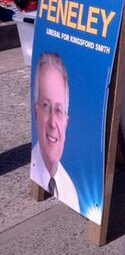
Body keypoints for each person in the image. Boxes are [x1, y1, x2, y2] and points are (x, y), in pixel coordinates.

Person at [30, 52, 80, 213]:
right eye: (45, 106)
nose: (52, 123)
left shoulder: (70, 190)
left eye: (59, 110)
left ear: (66, 120)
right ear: (36, 111)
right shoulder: (37, 168)